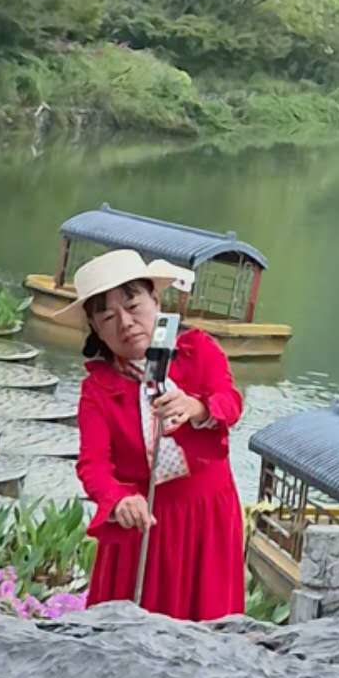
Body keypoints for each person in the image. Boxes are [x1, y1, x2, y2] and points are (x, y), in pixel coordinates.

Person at [64, 249, 246, 620]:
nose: (126, 323)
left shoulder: (199, 350)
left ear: (156, 301)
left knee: (205, 628)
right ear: (96, 330)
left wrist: (197, 408)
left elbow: (230, 401)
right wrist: (118, 500)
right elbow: (93, 464)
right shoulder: (98, 389)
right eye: (108, 316)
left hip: (205, 514)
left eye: (133, 305)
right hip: (143, 520)